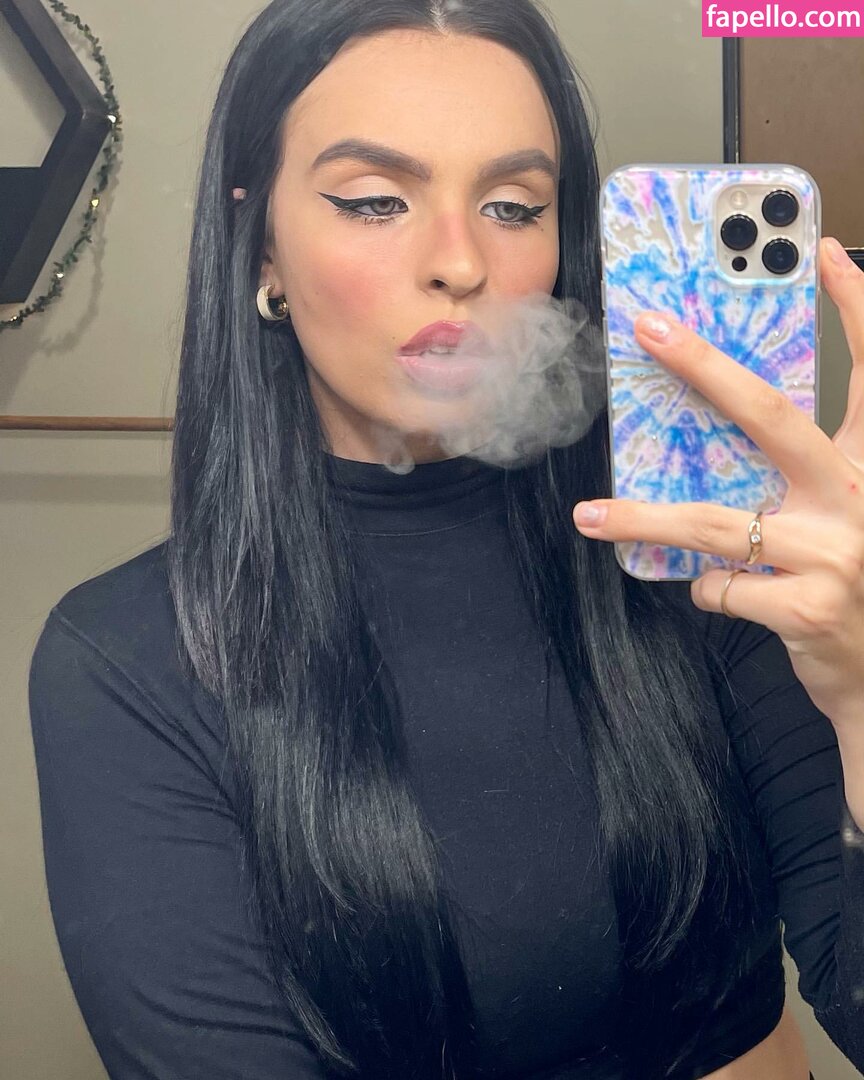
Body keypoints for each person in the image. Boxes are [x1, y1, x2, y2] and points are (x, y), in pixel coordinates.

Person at [26, 1, 864, 1078]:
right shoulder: (127, 659)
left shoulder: (696, 558)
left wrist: (861, 694)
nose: (460, 262)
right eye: (375, 200)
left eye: (514, 208)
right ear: (262, 244)